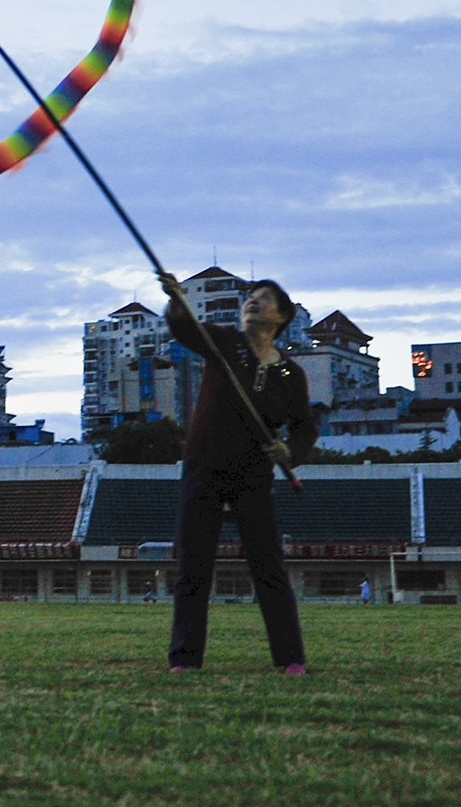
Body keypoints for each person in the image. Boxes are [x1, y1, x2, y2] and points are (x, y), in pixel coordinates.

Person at [160, 272, 318, 675]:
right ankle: (185, 658)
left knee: (269, 567)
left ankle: (290, 658)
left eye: (264, 298)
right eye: (250, 297)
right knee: (194, 566)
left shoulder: (289, 373)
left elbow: (304, 427)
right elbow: (184, 328)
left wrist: (291, 452)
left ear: (281, 317)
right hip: (204, 465)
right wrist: (177, 299)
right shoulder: (226, 343)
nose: (252, 301)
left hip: (253, 473)